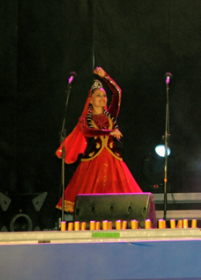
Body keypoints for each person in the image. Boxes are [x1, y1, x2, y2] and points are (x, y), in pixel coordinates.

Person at [55, 67, 142, 212]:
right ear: (90, 100)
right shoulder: (85, 119)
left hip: (113, 161)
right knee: (91, 201)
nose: (102, 98)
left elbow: (118, 93)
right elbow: (89, 132)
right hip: (92, 163)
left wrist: (105, 76)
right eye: (98, 95)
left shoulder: (111, 114)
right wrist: (110, 132)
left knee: (118, 198)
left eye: (104, 96)